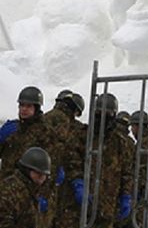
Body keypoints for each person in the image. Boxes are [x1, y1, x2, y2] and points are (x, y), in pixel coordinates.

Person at [71, 93, 133, 228]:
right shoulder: (82, 135)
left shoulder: (120, 143)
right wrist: (77, 182)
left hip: (107, 209)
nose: (102, 118)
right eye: (99, 113)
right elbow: (72, 160)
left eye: (108, 114)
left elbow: (127, 173)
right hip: (79, 208)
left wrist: (126, 196)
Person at [53, 93, 86, 228]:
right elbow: (73, 156)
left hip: (42, 182)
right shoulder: (75, 128)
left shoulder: (42, 120)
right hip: (66, 189)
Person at [0, 147, 51, 228]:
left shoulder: (34, 189)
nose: (42, 178)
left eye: (44, 175)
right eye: (38, 173)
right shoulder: (9, 191)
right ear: (27, 170)